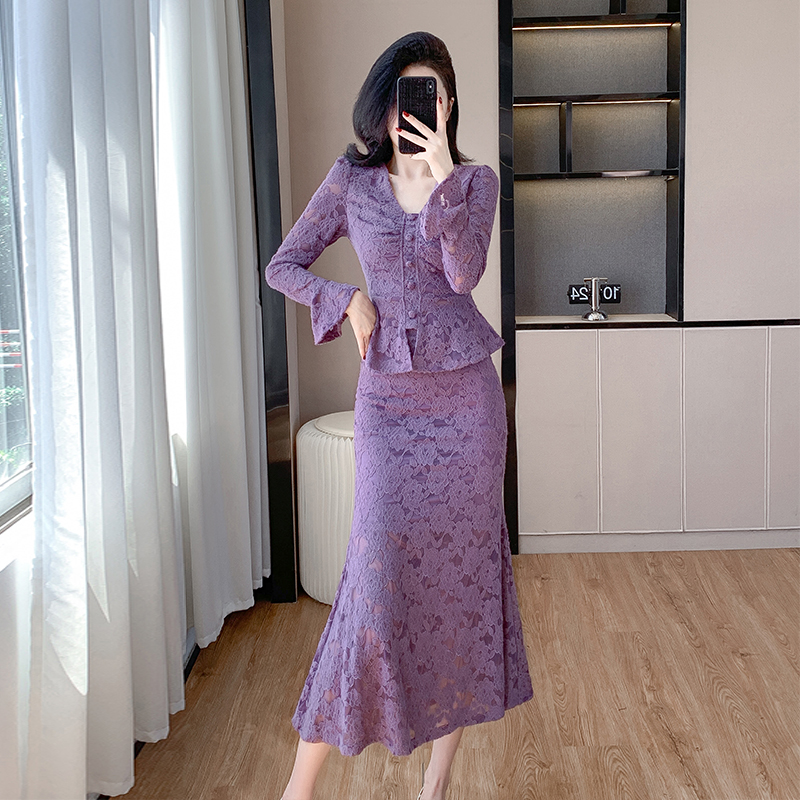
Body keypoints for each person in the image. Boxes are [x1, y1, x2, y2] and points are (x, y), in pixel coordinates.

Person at [265, 31, 534, 800]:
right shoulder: (351, 184)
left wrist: (444, 177)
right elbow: (283, 264)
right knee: (370, 596)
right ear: (384, 104)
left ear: (447, 108)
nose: (413, 111)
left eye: (431, 98)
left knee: (460, 594)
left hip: (467, 409)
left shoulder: (475, 182)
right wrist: (344, 297)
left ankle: (437, 782)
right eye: (404, 96)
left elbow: (465, 273)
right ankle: (298, 790)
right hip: (389, 407)